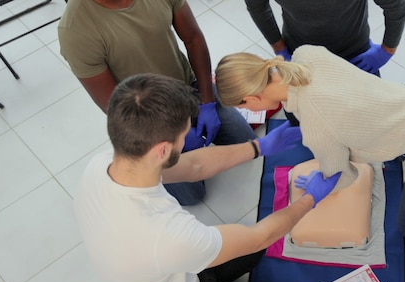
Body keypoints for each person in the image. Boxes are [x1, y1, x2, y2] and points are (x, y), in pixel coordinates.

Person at [73, 73, 341, 282]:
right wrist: (310, 199)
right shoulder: (166, 235)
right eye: (184, 137)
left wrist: (258, 147)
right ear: (162, 150)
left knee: (252, 246)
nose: (188, 142)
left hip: (171, 272)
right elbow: (259, 237)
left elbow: (194, 166)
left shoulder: (105, 163)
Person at [214, 45, 405, 238]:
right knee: (398, 135)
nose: (247, 111)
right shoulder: (306, 54)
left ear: (252, 98)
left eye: (243, 106)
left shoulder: (315, 123)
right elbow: (347, 102)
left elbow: (344, 175)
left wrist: (322, 184)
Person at [58, 0, 256, 205]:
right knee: (193, 196)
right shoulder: (76, 30)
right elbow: (111, 104)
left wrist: (207, 102)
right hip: (147, 117)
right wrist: (168, 133)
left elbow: (193, 38)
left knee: (246, 142)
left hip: (188, 89)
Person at [245, 0, 405, 76]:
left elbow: (396, 6)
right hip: (300, 51)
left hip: (354, 52)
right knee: (299, 118)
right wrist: (279, 48)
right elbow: (257, 7)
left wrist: (387, 50)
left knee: (367, 116)